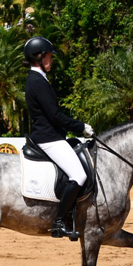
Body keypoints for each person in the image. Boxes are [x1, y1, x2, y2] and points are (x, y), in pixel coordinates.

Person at [24, 36, 95, 238]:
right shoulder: (37, 81)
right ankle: (58, 222)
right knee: (79, 175)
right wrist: (81, 127)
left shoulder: (38, 79)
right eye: (49, 57)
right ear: (38, 57)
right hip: (49, 139)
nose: (51, 60)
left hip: (51, 136)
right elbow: (55, 116)